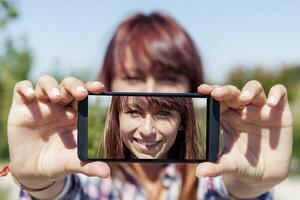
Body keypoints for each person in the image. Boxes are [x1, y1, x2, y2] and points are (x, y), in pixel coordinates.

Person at [6, 12, 293, 199]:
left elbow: (230, 190)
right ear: (108, 87)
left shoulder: (212, 176)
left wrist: (250, 187)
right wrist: (40, 186)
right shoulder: (90, 178)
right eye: (132, 78)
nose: (149, 91)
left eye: (168, 78)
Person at [100, 96, 203, 160]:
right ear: (117, 118)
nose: (147, 130)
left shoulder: (207, 179)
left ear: (182, 122)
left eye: (163, 113)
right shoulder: (92, 178)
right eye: (134, 112)